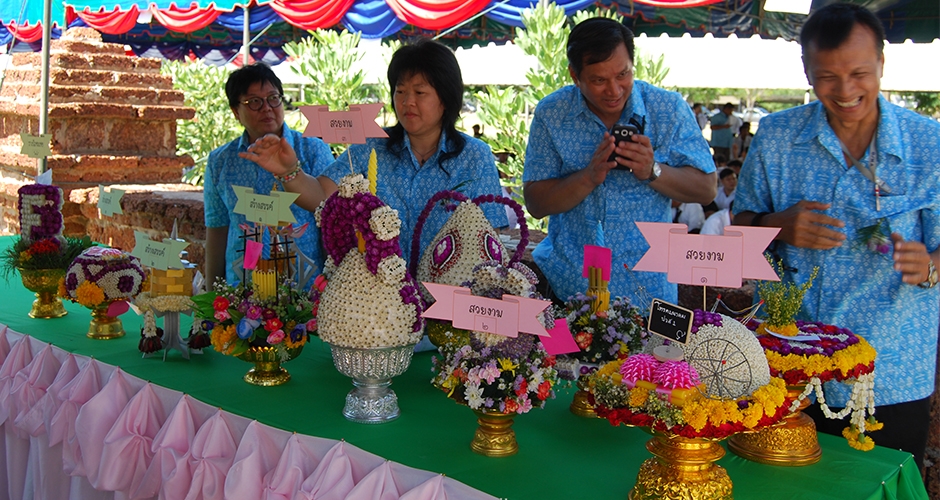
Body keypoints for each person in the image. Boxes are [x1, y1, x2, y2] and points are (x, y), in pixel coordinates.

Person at [733, 2, 940, 470]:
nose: (845, 91)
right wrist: (778, 225)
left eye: (860, 73)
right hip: (788, 368)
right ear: (806, 71)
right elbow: (737, 234)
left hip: (892, 372)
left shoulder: (929, 144)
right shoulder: (777, 137)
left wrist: (929, 264)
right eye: (827, 76)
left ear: (882, 65)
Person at [239, 38, 506, 270]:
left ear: (446, 98)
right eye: (400, 91)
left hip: (446, 307)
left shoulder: (474, 156)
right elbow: (322, 196)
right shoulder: (373, 147)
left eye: (419, 92)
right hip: (378, 307)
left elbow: (490, 237)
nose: (406, 101)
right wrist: (288, 171)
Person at [523, 17, 716, 306]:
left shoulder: (667, 109)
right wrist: (587, 177)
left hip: (650, 289)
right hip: (572, 287)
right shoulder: (553, 113)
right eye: (599, 80)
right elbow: (536, 204)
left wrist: (653, 170)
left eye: (623, 75)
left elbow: (707, 189)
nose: (614, 91)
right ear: (575, 76)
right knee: (563, 354)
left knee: (657, 354)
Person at [204, 63, 334, 286]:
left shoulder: (313, 150)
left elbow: (331, 212)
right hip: (241, 293)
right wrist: (212, 289)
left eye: (273, 98)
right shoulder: (220, 161)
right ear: (236, 111)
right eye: (254, 102)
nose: (267, 108)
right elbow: (217, 228)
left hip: (305, 290)